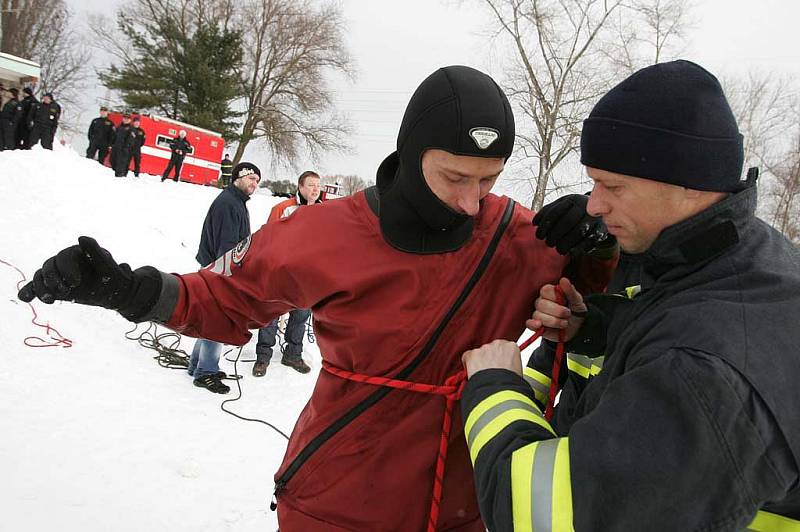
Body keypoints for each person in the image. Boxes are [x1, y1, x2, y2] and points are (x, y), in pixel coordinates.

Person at [18, 66, 617, 531]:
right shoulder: (317, 234)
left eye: (488, 179)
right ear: (411, 157)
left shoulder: (517, 235)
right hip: (336, 502)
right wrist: (121, 287)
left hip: (459, 509)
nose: (472, 200)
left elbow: (613, 291)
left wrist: (598, 241)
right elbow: (221, 299)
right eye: (454, 177)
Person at [459, 60, 800, 531]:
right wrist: (595, 329)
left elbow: (542, 516)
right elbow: (674, 324)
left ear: (688, 183)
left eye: (613, 186)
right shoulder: (735, 256)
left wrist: (494, 390)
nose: (594, 205)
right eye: (594, 181)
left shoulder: (705, 374)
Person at [189, 162, 261, 393]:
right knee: (218, 320)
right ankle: (205, 372)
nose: (255, 184)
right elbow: (228, 246)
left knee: (210, 318)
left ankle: (197, 365)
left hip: (217, 267)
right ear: (238, 177)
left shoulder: (236, 201)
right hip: (218, 269)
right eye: (251, 178)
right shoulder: (229, 204)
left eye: (257, 181)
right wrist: (229, 276)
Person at [252, 170, 323, 377]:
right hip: (280, 273)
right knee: (271, 314)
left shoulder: (325, 211)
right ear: (300, 187)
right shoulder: (283, 208)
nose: (315, 189)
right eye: (311, 185)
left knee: (300, 315)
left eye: (318, 185)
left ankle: (293, 354)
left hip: (306, 276)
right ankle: (262, 356)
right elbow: (267, 239)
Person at [111, 113, 134, 177]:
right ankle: (117, 174)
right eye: (124, 118)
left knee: (120, 165)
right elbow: (114, 136)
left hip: (123, 149)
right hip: (115, 148)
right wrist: (112, 144)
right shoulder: (119, 126)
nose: (126, 120)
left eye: (127, 119)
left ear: (130, 120)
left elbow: (130, 140)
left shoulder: (131, 129)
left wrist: (125, 148)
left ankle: (119, 177)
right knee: (112, 161)